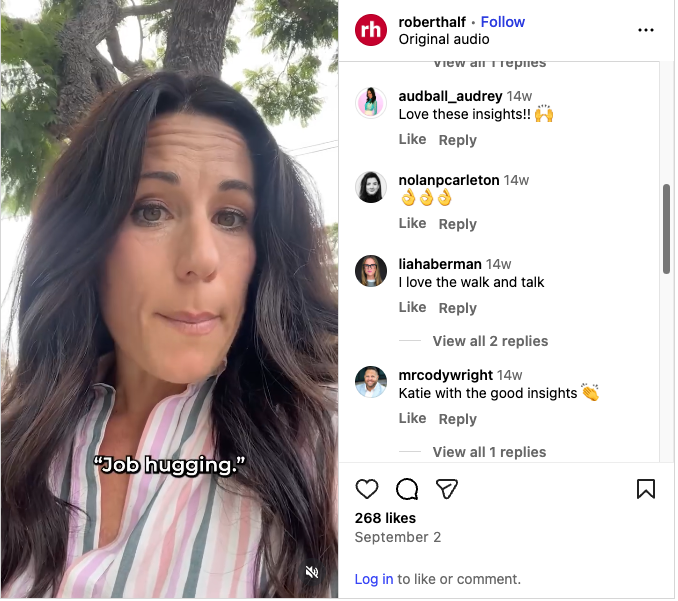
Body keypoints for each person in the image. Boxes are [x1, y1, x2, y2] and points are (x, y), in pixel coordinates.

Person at [1, 71, 337, 598]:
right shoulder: (14, 447)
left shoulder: (326, 442)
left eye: (231, 217)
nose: (201, 258)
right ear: (87, 242)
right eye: (151, 210)